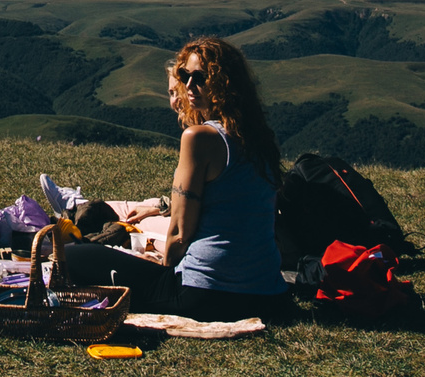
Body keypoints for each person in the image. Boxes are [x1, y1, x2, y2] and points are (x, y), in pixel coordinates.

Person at [51, 36, 295, 322]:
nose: (189, 86)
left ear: (223, 83)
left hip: (208, 292)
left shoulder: (199, 138)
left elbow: (180, 232)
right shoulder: (258, 140)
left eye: (200, 77)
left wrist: (164, 269)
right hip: (270, 294)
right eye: (185, 75)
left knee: (74, 257)